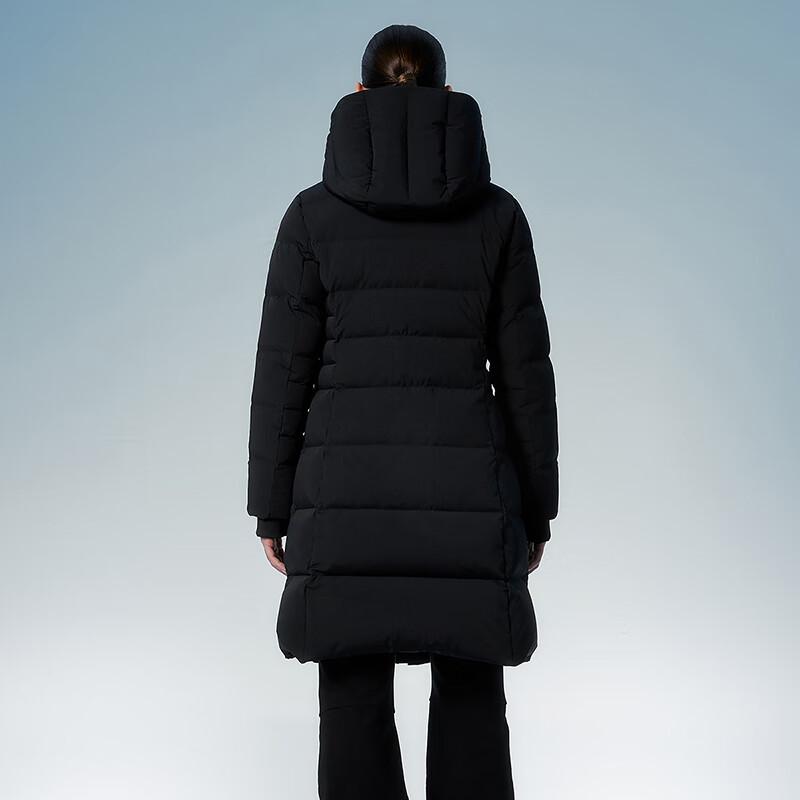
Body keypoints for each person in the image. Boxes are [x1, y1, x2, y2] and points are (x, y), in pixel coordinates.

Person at [247, 23, 559, 800]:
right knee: (473, 690)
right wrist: (538, 510)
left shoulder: (311, 218)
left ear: (359, 94)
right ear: (447, 95)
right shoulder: (498, 217)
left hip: (343, 497)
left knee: (351, 693)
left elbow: (281, 374)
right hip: (470, 497)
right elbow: (525, 377)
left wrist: (270, 507)